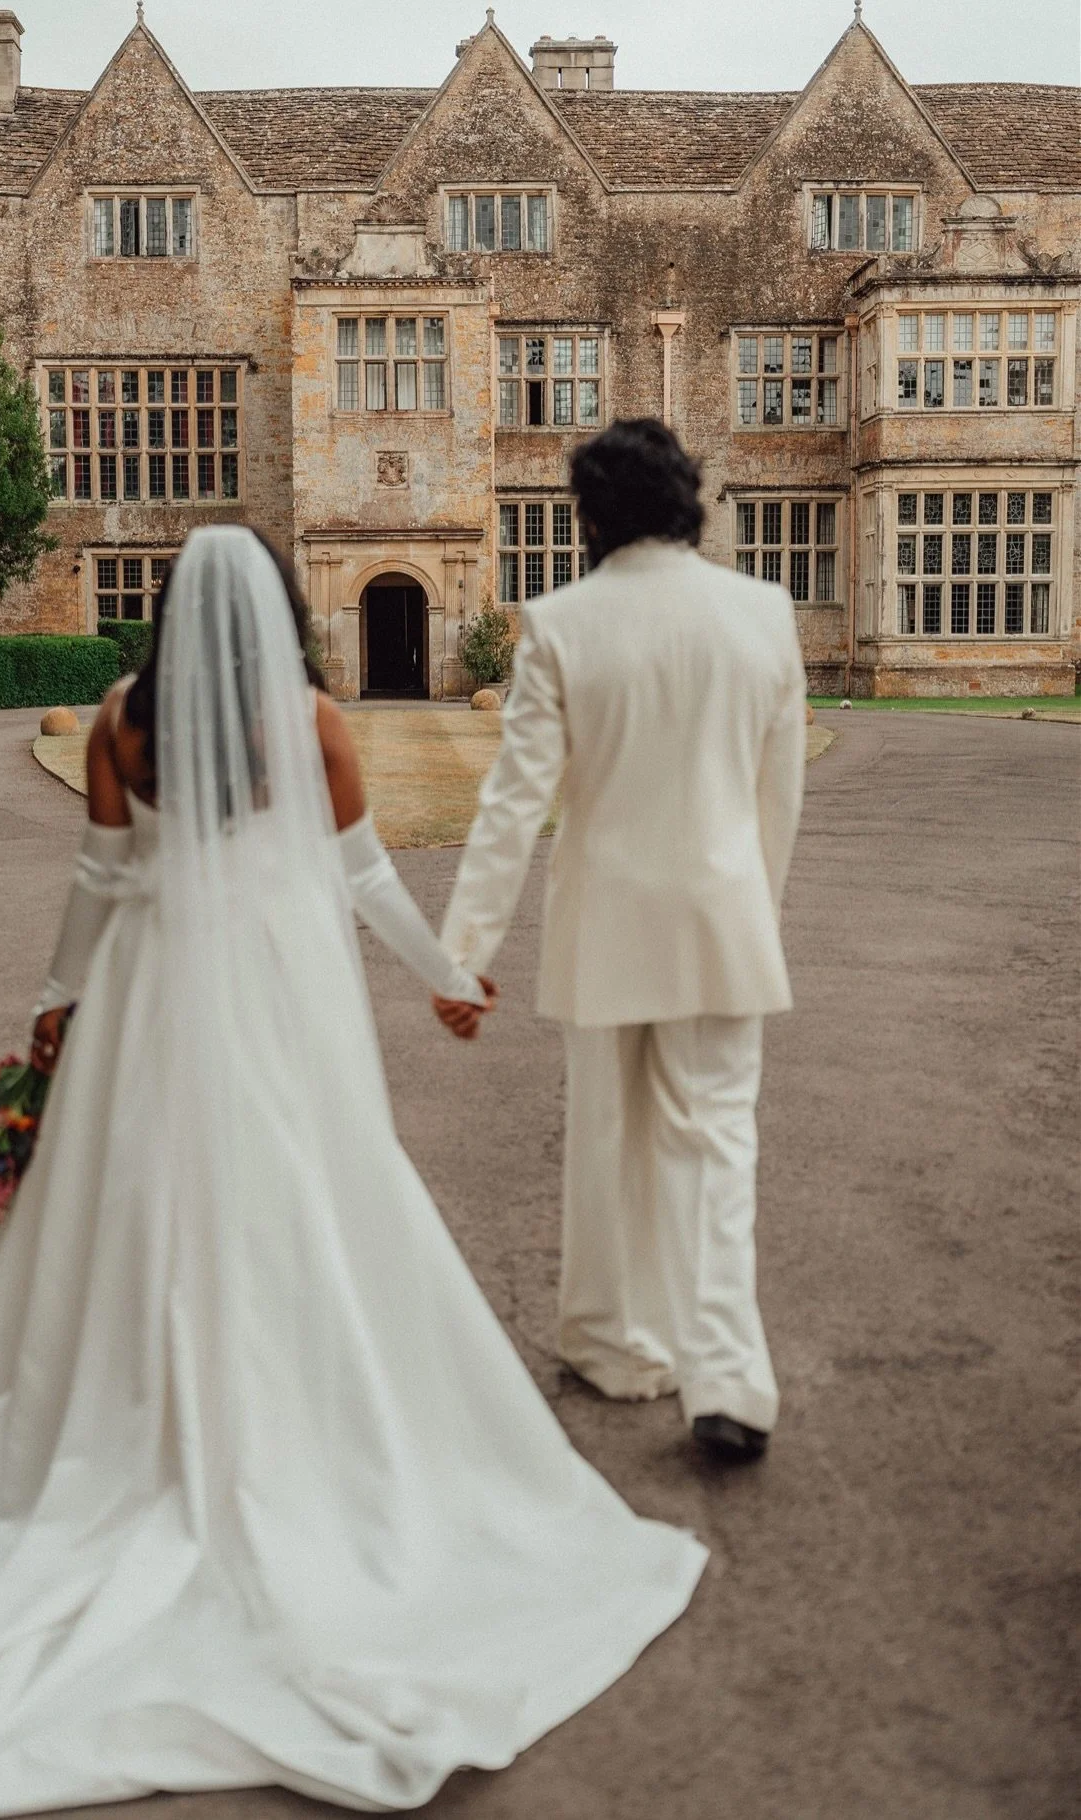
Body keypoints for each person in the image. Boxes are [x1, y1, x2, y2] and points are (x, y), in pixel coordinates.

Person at [0, 525, 706, 1819]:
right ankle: (291, 1406)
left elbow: (98, 882)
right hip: (276, 991)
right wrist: (445, 980)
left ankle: (141, 1407)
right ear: (272, 610)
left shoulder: (116, 723)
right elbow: (358, 872)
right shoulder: (309, 720)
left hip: (153, 989)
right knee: (306, 1192)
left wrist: (53, 1005)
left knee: (147, 1201)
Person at [435, 420, 807, 1463]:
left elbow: (514, 805)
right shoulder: (763, 614)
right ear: (689, 497)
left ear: (591, 514)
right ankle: (727, 1378)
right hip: (725, 917)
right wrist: (753, 911)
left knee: (606, 1137)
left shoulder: (561, 623)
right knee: (719, 1147)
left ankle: (612, 1343)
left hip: (605, 926)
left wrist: (462, 950)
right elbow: (778, 799)